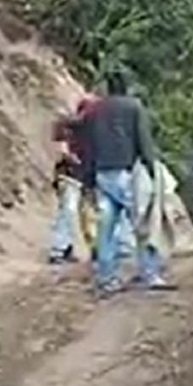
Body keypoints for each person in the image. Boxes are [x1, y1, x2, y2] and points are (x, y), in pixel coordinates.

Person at [70, 68, 165, 296]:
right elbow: (143, 139)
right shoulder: (134, 106)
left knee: (106, 228)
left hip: (103, 174)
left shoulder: (95, 110)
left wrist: (88, 179)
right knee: (142, 223)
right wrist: (152, 169)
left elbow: (89, 146)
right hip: (127, 173)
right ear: (127, 86)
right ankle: (149, 273)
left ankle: (106, 277)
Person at [48, 94, 101, 264]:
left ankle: (89, 247)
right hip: (70, 174)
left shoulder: (90, 130)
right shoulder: (70, 126)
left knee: (84, 213)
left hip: (82, 174)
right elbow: (61, 146)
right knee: (70, 211)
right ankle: (59, 249)